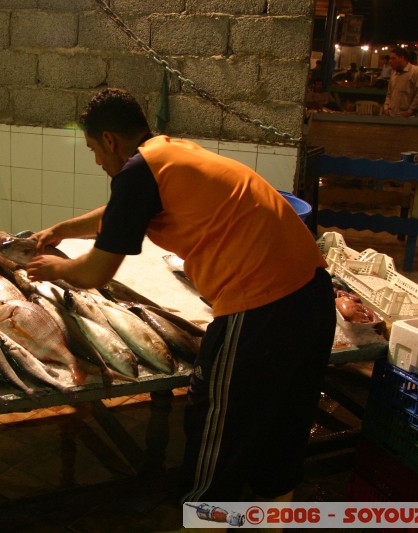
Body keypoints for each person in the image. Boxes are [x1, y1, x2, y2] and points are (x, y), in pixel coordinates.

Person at [27, 88, 337, 503]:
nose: (98, 161)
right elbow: (118, 211)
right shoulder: (169, 154)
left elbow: (95, 274)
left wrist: (54, 268)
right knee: (283, 427)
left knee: (217, 426)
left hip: (261, 308)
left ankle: (204, 523)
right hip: (314, 297)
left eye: (93, 150)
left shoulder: (140, 172)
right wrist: (63, 230)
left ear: (110, 141)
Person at [383, 47, 418, 117]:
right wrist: (386, 107)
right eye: (390, 58)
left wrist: (410, 111)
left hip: (407, 117)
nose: (390, 61)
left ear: (402, 58)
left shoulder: (416, 71)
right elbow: (389, 93)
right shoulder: (394, 73)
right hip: (391, 115)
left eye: (393, 58)